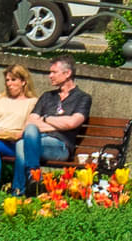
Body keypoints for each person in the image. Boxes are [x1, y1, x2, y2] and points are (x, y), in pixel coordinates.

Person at [20, 56, 94, 184]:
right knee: (28, 133)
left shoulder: (83, 98)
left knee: (21, 145)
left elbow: (72, 123)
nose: (50, 76)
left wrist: (46, 118)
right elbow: (30, 123)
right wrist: (60, 124)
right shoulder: (47, 96)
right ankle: (31, 178)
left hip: (61, 145)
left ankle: (23, 187)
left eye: (54, 72)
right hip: (38, 139)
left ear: (67, 74)